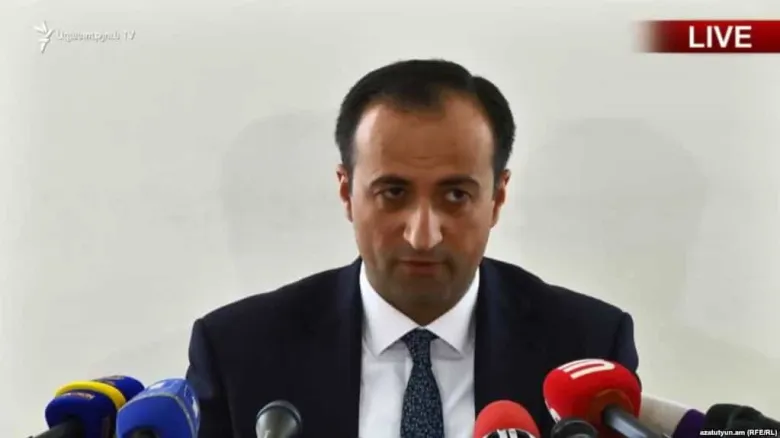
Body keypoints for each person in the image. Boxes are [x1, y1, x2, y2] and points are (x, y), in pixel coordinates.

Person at [185, 59, 639, 438]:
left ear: (498, 198)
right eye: (393, 193)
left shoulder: (585, 347)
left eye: (456, 195)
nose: (423, 236)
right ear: (346, 192)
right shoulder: (240, 351)